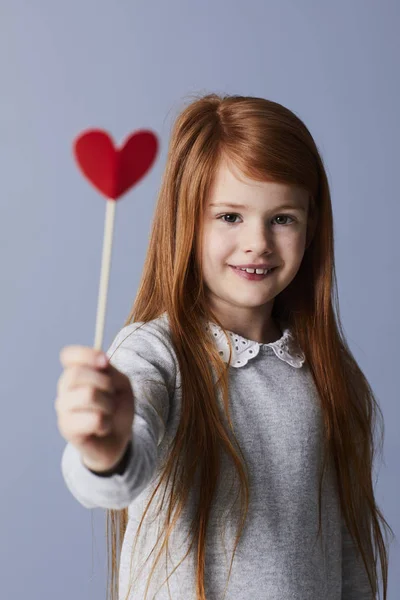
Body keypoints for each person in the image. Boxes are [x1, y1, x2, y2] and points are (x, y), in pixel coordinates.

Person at [55, 93, 393, 600]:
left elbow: (347, 557)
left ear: (311, 226)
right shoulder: (155, 355)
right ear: (186, 222)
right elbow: (112, 478)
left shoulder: (324, 370)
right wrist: (105, 449)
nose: (258, 241)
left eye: (282, 218)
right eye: (230, 217)